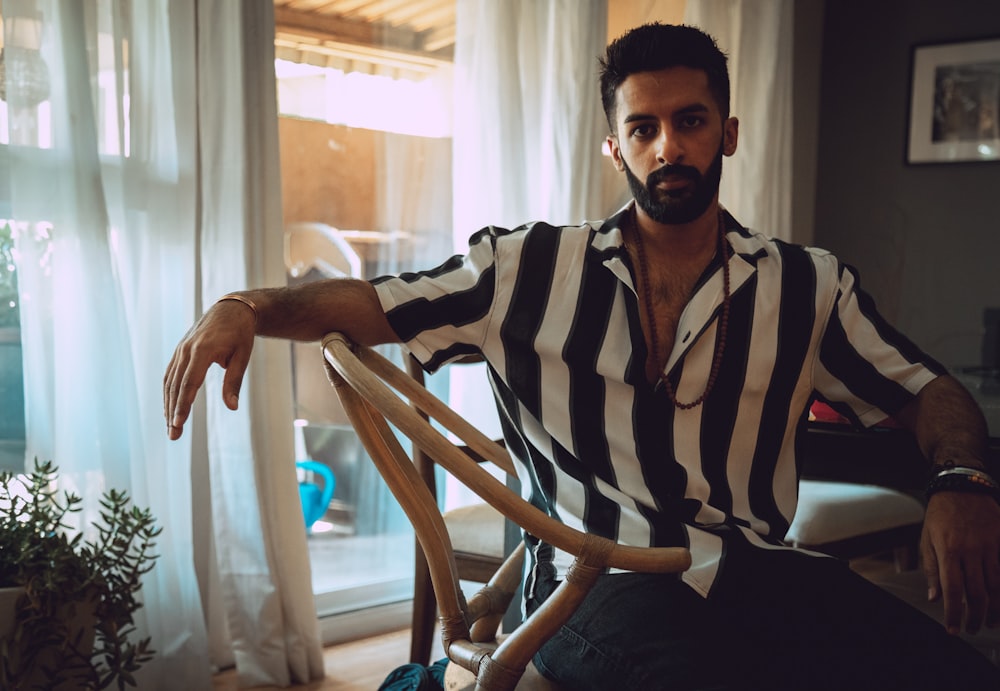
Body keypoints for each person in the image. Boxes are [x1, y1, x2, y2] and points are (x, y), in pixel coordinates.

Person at [164, 23, 1000, 690]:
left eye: (691, 121)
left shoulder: (809, 285)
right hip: (589, 580)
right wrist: (246, 305)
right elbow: (373, 303)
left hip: (757, 571)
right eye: (644, 127)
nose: (668, 146)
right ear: (616, 146)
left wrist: (960, 480)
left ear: (728, 133)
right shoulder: (524, 268)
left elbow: (926, 387)